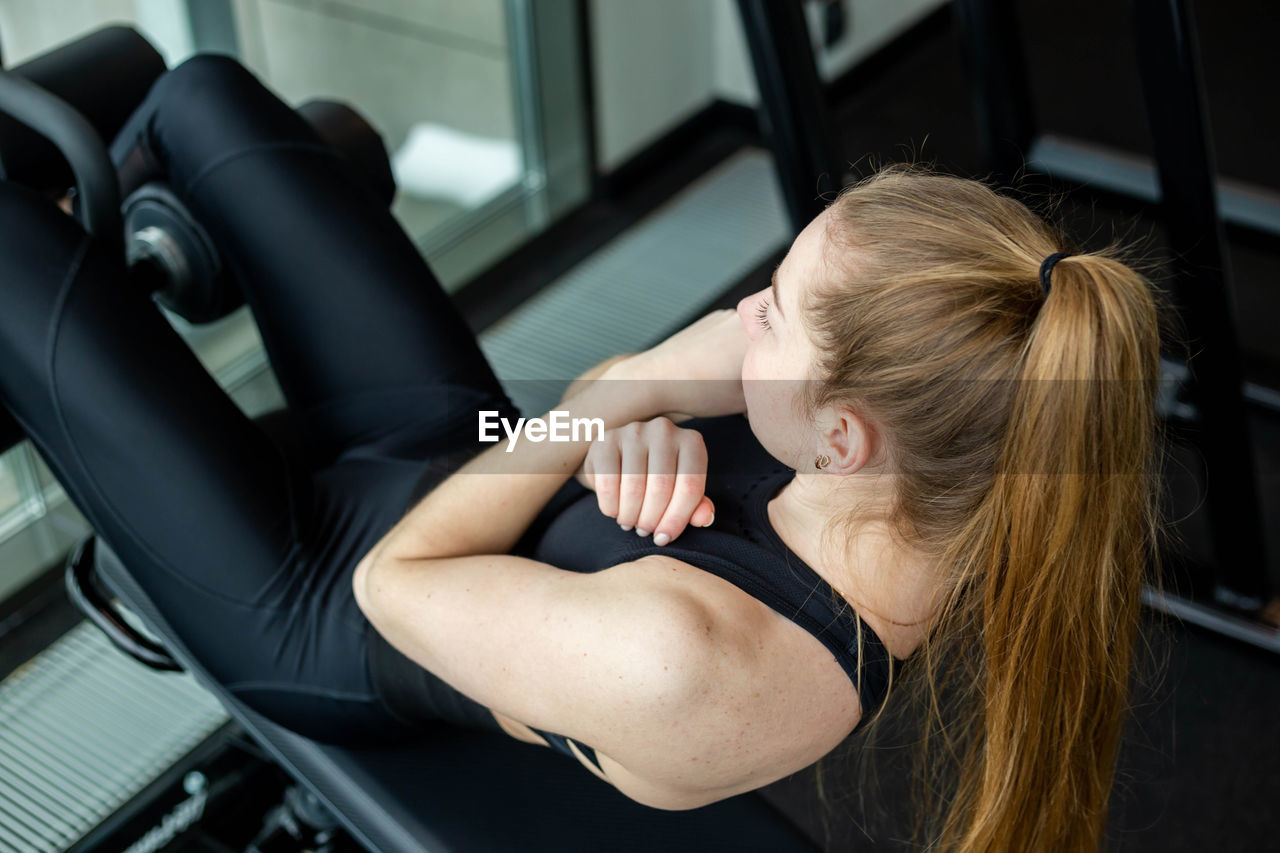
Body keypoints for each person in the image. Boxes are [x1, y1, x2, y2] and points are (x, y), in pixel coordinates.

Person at [0, 54, 1161, 852]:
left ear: (842, 434)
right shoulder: (934, 470)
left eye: (774, 304)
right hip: (465, 449)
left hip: (317, 597)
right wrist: (616, 441)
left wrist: (628, 392)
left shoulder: (692, 662)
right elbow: (577, 447)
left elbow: (391, 586)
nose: (743, 307)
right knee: (204, 97)